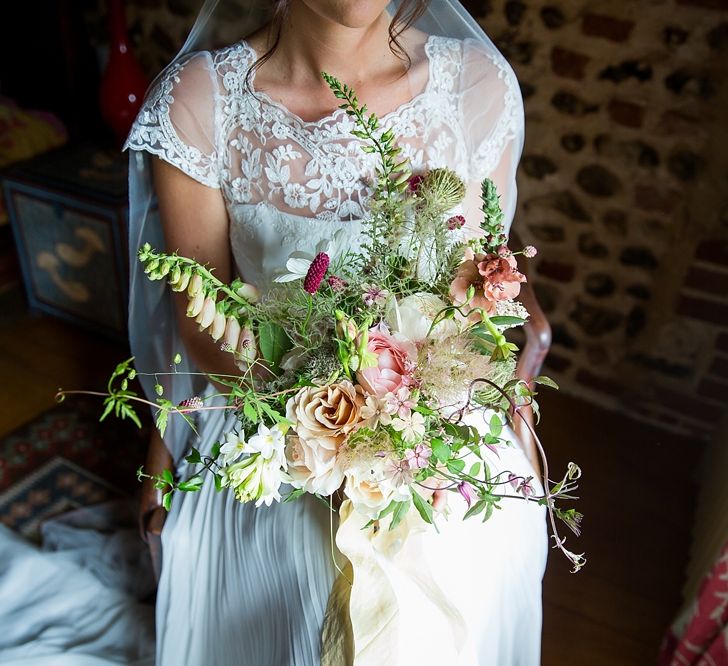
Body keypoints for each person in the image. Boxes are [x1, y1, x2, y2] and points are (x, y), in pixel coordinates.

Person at [125, 1, 548, 663]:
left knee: (477, 551)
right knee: (298, 579)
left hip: (434, 413)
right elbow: (199, 319)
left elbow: (474, 300)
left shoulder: (476, 85)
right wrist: (321, 419)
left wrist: (403, 418)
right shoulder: (201, 100)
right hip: (263, 412)